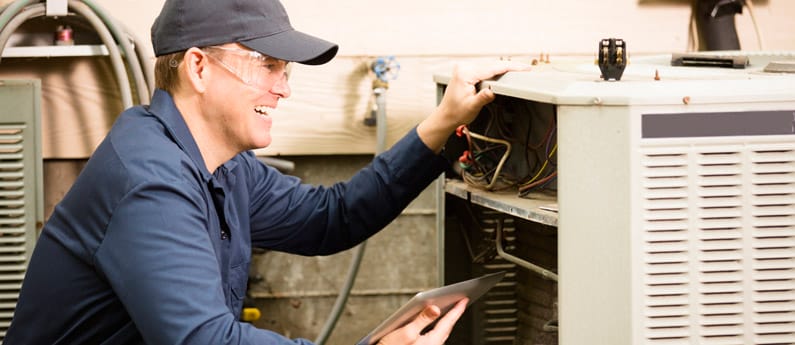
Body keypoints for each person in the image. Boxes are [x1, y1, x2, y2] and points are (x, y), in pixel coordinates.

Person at [4, 0, 528, 344]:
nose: (284, 87)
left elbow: (333, 217)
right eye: (267, 65)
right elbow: (205, 341)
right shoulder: (149, 180)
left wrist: (442, 122)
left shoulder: (225, 165)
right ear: (198, 68)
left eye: (285, 69)